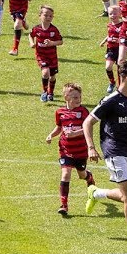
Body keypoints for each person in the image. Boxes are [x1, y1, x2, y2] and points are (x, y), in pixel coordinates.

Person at [83, 58, 127, 250]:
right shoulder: (110, 101)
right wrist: (91, 147)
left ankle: (96, 193)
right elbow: (87, 122)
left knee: (126, 198)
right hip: (114, 151)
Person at [45, 81, 95, 215]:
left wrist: (75, 133)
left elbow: (88, 128)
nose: (78, 100)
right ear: (66, 98)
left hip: (80, 150)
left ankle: (89, 177)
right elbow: (59, 127)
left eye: (79, 97)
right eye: (75, 97)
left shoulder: (83, 111)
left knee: (81, 174)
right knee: (66, 174)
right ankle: (64, 205)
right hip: (65, 150)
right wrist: (51, 135)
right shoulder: (60, 112)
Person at [30, 5, 64, 102]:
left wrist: (52, 43)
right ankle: (44, 92)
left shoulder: (54, 30)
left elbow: (60, 41)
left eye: (50, 16)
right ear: (40, 15)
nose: (48, 17)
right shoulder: (36, 29)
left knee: (52, 77)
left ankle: (50, 92)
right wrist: (32, 43)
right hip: (41, 56)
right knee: (45, 73)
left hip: (52, 56)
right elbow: (30, 35)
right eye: (46, 15)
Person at [102, 5, 123, 93]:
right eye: (110, 14)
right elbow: (109, 35)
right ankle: (112, 82)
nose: (112, 15)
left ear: (120, 14)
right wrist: (104, 41)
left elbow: (125, 37)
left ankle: (120, 87)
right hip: (110, 49)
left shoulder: (122, 25)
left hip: (120, 50)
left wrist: (119, 40)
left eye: (115, 13)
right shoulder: (109, 25)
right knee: (108, 67)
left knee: (120, 69)